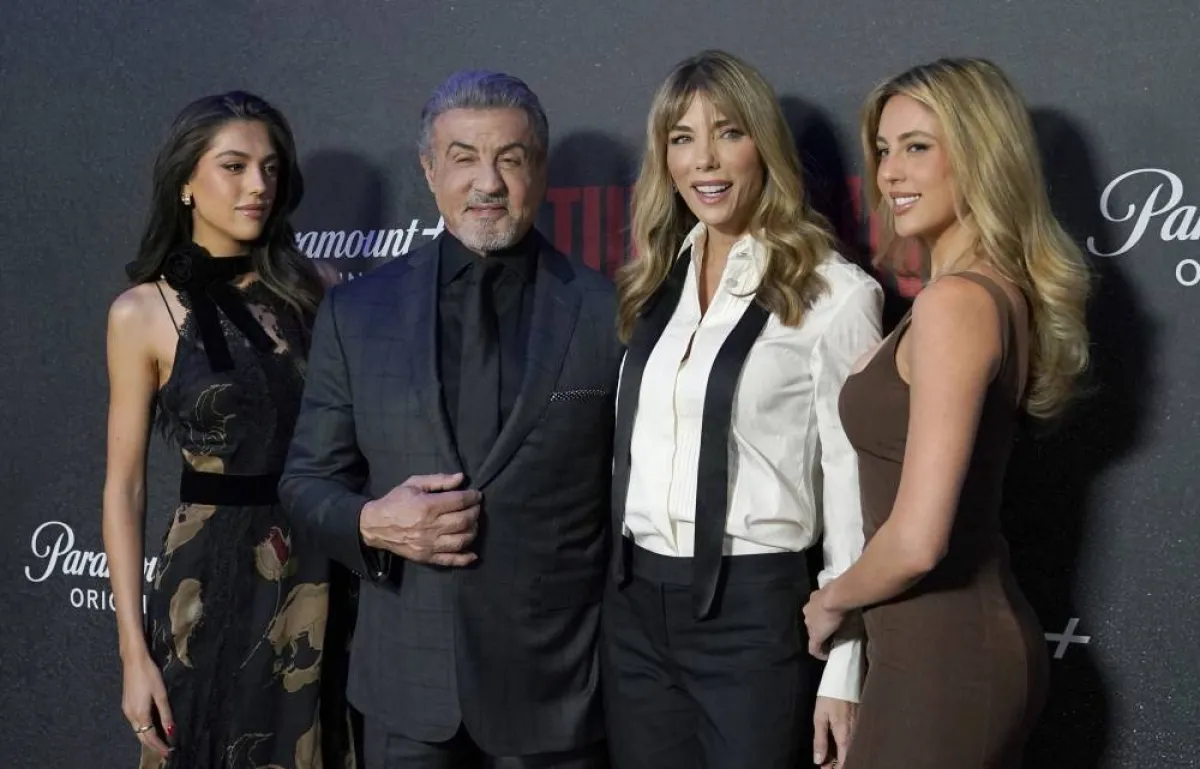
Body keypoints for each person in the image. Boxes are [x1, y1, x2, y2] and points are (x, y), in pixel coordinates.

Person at [278, 70, 621, 769]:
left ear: (540, 170)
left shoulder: (608, 312)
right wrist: (370, 521)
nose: (487, 182)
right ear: (430, 172)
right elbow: (306, 478)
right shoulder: (357, 312)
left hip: (557, 692)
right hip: (409, 689)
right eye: (463, 157)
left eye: (511, 158)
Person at [802, 57, 1091, 769]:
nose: (891, 172)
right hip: (933, 650)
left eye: (918, 147)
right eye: (883, 149)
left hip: (950, 658)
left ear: (980, 154)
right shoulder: (974, 292)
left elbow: (919, 539)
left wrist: (831, 601)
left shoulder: (957, 303)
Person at [604, 50, 882, 769]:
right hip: (635, 607)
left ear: (764, 142)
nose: (706, 159)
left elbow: (853, 490)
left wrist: (846, 666)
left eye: (727, 131)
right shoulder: (652, 282)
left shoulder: (836, 294)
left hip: (755, 609)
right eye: (681, 137)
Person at [101, 91, 356, 769]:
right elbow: (124, 488)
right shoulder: (142, 313)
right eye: (234, 166)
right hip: (207, 585)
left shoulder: (320, 292)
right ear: (185, 182)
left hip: (323, 572)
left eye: (271, 169)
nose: (257, 187)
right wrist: (133, 650)